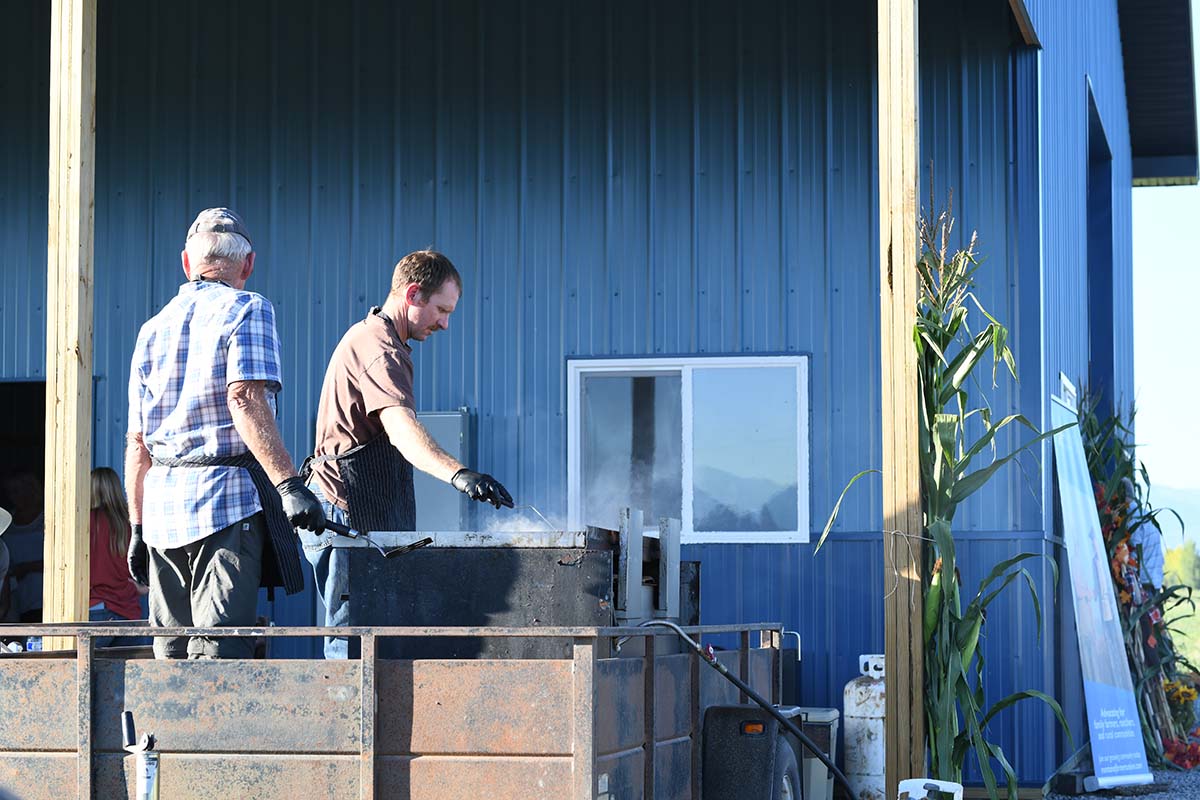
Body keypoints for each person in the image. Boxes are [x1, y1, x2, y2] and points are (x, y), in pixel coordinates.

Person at [125, 208, 326, 660]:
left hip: (160, 511)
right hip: (224, 501)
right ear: (248, 264)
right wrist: (290, 485)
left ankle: (164, 733)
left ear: (186, 262)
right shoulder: (248, 308)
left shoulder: (150, 330)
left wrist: (136, 527)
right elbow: (245, 399)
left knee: (171, 652)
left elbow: (137, 444)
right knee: (219, 653)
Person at [300, 250, 513, 659]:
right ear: (413, 293)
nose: (445, 324)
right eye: (441, 310)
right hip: (346, 516)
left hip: (364, 515)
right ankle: (353, 721)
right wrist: (460, 474)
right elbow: (402, 432)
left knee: (379, 639)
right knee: (353, 647)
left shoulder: (380, 341)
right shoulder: (379, 350)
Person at [89, 467, 148, 648]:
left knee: (85, 673)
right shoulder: (131, 524)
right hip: (129, 613)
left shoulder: (83, 522)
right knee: (126, 675)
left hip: (95, 607)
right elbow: (145, 586)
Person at [0, 471, 45, 622]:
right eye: (10, 492)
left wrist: (26, 568)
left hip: (44, 595)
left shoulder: (46, 518)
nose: (13, 496)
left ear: (30, 490)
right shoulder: (7, 522)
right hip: (16, 596)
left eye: (17, 491)